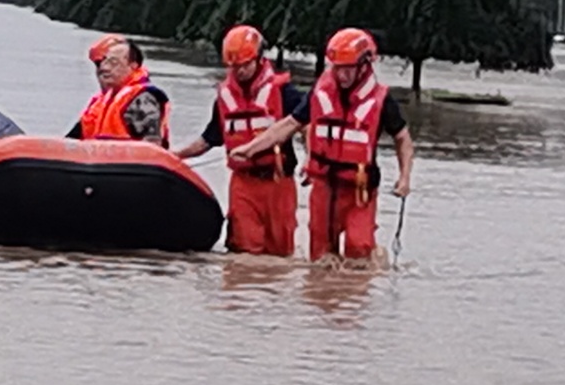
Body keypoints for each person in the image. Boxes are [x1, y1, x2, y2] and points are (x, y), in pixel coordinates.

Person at [229, 27, 413, 261]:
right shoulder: (320, 93)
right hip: (324, 186)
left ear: (365, 65)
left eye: (348, 69)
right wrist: (250, 148)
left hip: (359, 190)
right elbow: (288, 125)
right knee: (321, 259)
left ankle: (361, 283)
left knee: (359, 248)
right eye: (337, 68)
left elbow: (403, 139)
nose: (342, 75)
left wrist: (404, 177)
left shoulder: (382, 100)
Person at [173, 25, 304, 256]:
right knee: (243, 249)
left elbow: (307, 124)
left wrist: (311, 160)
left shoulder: (285, 93)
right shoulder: (224, 99)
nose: (240, 71)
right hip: (243, 183)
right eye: (234, 66)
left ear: (258, 58)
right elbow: (207, 141)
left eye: (245, 65)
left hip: (278, 181)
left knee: (280, 253)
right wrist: (174, 157)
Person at [66, 33, 169, 145]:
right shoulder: (101, 102)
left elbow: (152, 146)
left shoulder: (141, 98)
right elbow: (70, 141)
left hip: (126, 161)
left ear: (133, 66)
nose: (104, 68)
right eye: (103, 62)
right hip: (97, 160)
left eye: (114, 63)